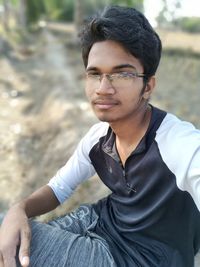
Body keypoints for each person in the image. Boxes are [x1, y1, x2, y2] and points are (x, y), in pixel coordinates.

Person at [0, 5, 200, 267]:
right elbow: (60, 187)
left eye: (122, 73)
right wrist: (19, 209)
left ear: (148, 85)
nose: (103, 88)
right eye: (95, 74)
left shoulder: (177, 143)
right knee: (9, 228)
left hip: (134, 259)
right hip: (97, 222)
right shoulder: (98, 138)